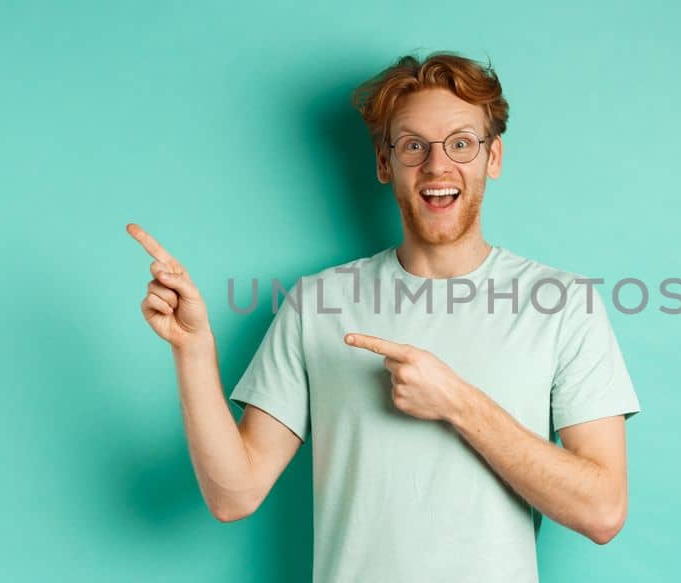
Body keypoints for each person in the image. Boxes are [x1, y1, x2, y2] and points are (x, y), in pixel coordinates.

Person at [126, 51, 640, 583]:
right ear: (383, 161)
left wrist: (457, 403)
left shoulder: (563, 305)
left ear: (494, 157)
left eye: (461, 143)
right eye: (414, 146)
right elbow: (234, 495)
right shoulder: (316, 303)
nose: (438, 166)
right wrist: (192, 350)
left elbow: (602, 511)